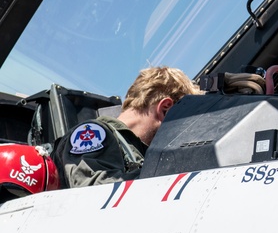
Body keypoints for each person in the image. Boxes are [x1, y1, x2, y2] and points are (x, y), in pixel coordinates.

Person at [54, 66, 201, 187]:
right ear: (165, 109)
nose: (178, 135)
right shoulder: (95, 133)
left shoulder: (141, 152)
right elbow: (90, 191)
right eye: (180, 124)